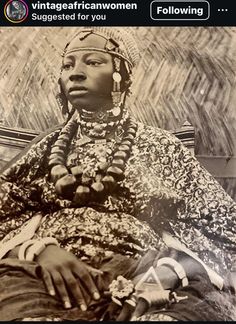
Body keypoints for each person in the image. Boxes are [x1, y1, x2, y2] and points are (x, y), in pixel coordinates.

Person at [0, 27, 236, 321]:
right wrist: (37, 251)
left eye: (93, 62)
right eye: (68, 65)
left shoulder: (161, 146)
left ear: (121, 75)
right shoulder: (46, 149)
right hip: (45, 275)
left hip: (143, 270)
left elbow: (224, 226)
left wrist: (173, 269)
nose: (75, 73)